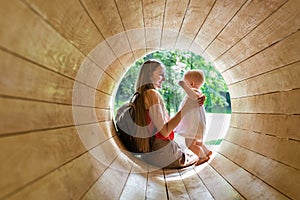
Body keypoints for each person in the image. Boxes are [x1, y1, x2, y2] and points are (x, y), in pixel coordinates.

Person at [133, 59, 205, 168]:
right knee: (194, 154)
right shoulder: (152, 94)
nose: (164, 79)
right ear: (149, 75)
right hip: (162, 154)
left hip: (150, 153)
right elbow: (165, 131)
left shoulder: (139, 95)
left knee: (187, 147)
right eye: (161, 75)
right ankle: (204, 153)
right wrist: (186, 108)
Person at [174, 70, 212, 164]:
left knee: (189, 144)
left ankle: (202, 157)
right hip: (194, 124)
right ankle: (207, 152)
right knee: (195, 142)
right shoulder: (197, 92)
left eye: (185, 82)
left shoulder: (195, 92)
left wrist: (184, 86)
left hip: (193, 126)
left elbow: (194, 96)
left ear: (191, 83)